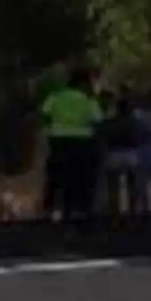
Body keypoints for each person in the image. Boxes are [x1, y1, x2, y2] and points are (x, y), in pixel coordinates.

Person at [38, 67, 104, 225]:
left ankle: (52, 208)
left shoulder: (55, 97)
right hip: (82, 141)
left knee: (56, 174)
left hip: (58, 139)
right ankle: (78, 209)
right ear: (82, 83)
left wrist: (48, 130)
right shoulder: (88, 100)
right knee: (80, 176)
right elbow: (98, 119)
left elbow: (44, 114)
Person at [98, 93, 140, 218]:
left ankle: (115, 213)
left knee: (113, 186)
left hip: (114, 153)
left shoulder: (110, 122)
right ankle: (132, 212)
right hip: (131, 153)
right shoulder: (134, 122)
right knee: (132, 184)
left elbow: (102, 135)